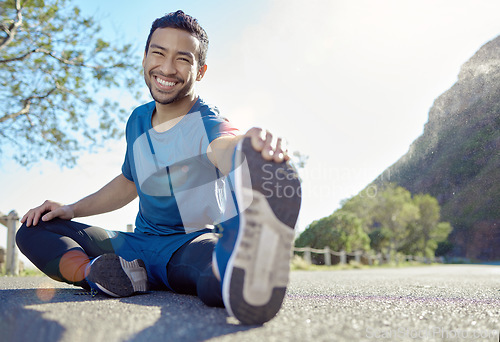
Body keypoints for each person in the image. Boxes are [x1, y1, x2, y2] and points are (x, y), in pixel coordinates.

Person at [16, 10, 301, 325]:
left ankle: (239, 267)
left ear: (201, 71)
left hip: (189, 243)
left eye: (183, 59)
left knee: (216, 271)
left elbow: (224, 144)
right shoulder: (137, 119)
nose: (167, 68)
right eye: (159, 53)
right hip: (134, 247)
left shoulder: (206, 120)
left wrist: (249, 152)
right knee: (34, 229)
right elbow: (128, 182)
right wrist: (70, 208)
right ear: (144, 57)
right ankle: (99, 273)